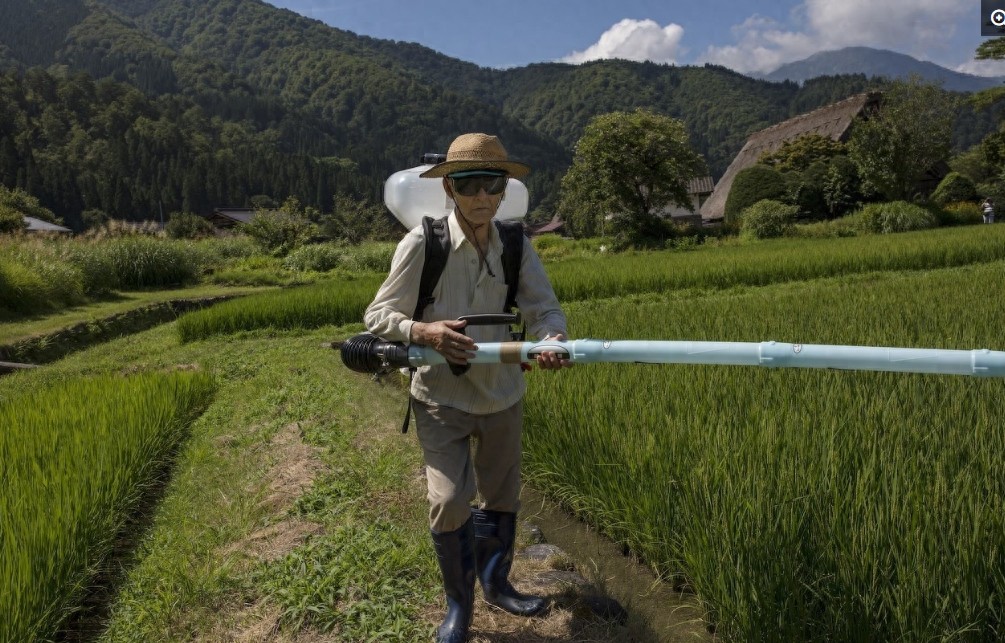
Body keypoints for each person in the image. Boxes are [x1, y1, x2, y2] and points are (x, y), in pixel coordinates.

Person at [364, 133, 571, 643]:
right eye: (468, 183)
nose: (481, 195)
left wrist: (552, 339)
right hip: (441, 395)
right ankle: (459, 606)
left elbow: (544, 309)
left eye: (491, 184)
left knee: (501, 494)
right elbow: (378, 315)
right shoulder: (423, 243)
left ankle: (497, 584)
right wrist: (424, 331)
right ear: (449, 189)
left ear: (503, 190)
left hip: (502, 391)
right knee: (450, 499)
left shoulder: (516, 244)